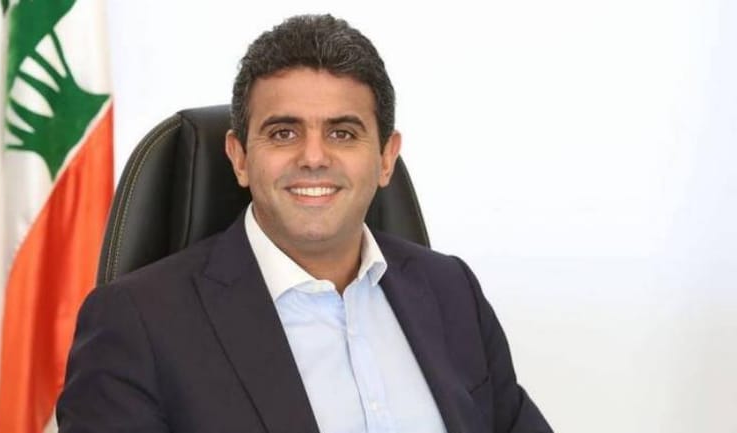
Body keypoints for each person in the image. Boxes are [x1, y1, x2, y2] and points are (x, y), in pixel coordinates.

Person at [57, 14, 552, 433]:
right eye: (283, 133)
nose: (314, 157)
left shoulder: (451, 291)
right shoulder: (137, 323)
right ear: (239, 157)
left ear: (386, 158)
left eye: (342, 133)